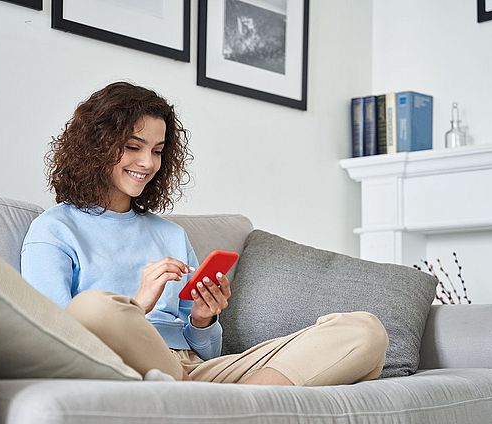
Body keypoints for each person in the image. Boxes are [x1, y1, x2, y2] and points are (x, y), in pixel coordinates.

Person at [21, 81, 388, 385]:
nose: (147, 163)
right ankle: (232, 401)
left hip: (197, 372)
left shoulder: (170, 234)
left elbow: (208, 351)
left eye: (157, 151)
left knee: (363, 330)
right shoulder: (55, 229)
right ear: (95, 147)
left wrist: (202, 319)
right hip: (130, 365)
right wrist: (137, 305)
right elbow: (56, 338)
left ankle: (244, 401)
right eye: (133, 147)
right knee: (93, 307)